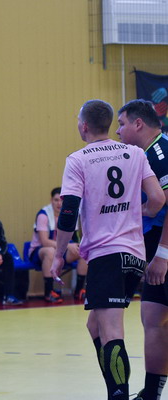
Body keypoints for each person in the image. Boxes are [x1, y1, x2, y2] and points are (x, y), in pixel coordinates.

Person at [50, 99, 164, 400]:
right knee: (96, 326)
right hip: (135, 254)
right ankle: (117, 390)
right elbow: (158, 198)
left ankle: (118, 395)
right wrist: (139, 212)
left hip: (106, 254)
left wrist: (59, 254)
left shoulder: (78, 160)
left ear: (84, 125)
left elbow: (68, 212)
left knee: (111, 329)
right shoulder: (135, 153)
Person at [115, 99, 168, 400]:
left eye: (121, 124)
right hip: (155, 248)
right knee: (153, 317)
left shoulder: (160, 153)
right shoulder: (144, 156)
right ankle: (151, 393)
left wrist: (162, 255)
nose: (118, 131)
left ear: (138, 124)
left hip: (164, 249)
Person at [28, 187, 88, 304]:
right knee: (50, 251)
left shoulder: (70, 213)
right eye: (56, 200)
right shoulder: (43, 215)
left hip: (60, 250)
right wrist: (68, 246)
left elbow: (74, 238)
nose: (59, 203)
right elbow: (45, 242)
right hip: (39, 252)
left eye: (62, 200)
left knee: (83, 250)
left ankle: (79, 290)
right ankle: (49, 292)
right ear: (51, 200)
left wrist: (75, 245)